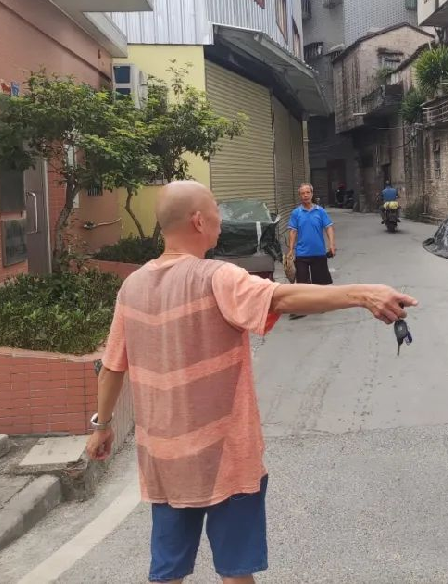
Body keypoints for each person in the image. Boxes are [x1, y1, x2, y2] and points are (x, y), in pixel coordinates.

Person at [85, 180, 415, 584]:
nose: (221, 222)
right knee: (236, 573)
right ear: (198, 221)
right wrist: (364, 295)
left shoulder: (131, 287)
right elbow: (282, 298)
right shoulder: (217, 277)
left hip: (165, 461)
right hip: (227, 459)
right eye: (216, 212)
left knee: (168, 573)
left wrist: (102, 427)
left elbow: (112, 367)